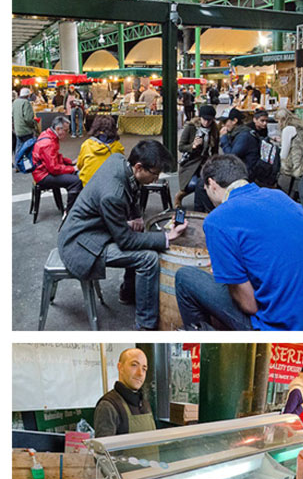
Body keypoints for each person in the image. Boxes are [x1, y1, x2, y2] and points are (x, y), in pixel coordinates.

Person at [173, 154, 303, 331]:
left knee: (185, 277)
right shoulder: (279, 196)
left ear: (211, 184)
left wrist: (229, 274)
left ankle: (200, 334)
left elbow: (249, 305)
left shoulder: (218, 219)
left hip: (287, 329)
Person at [58, 141, 187, 330]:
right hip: (81, 245)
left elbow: (132, 190)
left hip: (89, 228)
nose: (156, 178)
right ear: (139, 167)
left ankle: (128, 292)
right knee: (148, 259)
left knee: (140, 234)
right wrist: (168, 237)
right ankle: (146, 325)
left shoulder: (118, 161)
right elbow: (126, 241)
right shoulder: (113, 194)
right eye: (155, 174)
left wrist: (135, 215)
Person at [92, 347, 153, 436]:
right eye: (134, 365)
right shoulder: (108, 406)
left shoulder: (144, 403)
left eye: (144, 369)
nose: (140, 373)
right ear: (120, 367)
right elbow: (105, 449)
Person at [31, 114, 85, 213]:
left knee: (73, 175)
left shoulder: (47, 134)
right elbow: (54, 168)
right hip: (43, 175)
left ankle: (71, 205)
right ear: (58, 129)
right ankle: (70, 211)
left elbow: (54, 157)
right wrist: (73, 168)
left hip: (42, 170)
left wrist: (69, 162)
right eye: (66, 130)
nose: (67, 133)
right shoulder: (49, 143)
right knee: (76, 181)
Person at [175, 103, 221, 210]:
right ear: (200, 117)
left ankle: (201, 206)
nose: (206, 122)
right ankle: (180, 195)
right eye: (204, 119)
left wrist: (215, 164)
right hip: (190, 163)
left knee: (207, 184)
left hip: (205, 162)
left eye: (209, 120)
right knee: (194, 184)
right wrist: (193, 146)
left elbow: (215, 151)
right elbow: (181, 147)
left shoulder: (214, 130)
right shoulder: (191, 128)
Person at [76, 114, 125, 187]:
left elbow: (79, 165)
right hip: (110, 186)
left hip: (88, 187)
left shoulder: (87, 144)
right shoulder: (118, 146)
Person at [14, 86, 37, 170]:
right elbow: (28, 119)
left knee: (19, 148)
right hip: (26, 130)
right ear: (28, 95)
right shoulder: (26, 103)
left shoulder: (15, 102)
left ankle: (17, 165)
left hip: (18, 129)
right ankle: (28, 166)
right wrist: (34, 124)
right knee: (29, 148)